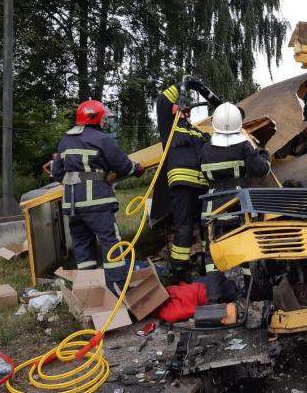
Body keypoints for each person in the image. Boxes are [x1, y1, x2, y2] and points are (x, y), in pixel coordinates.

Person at [52, 100, 144, 293]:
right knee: (111, 243)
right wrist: (137, 169)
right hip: (98, 203)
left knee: (82, 244)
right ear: (96, 118)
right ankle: (117, 290)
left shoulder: (65, 141)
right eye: (103, 119)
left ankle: (90, 291)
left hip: (73, 205)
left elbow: (58, 172)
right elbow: (123, 165)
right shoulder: (102, 139)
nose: (104, 122)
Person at [156, 76, 222, 281]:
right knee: (184, 228)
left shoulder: (199, 133)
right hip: (182, 186)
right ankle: (178, 272)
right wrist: (188, 85)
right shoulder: (170, 127)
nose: (187, 111)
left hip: (202, 187)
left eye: (188, 109)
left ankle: (207, 266)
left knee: (206, 227)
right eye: (184, 108)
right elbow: (162, 100)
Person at [200, 102, 271, 283]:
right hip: (237, 206)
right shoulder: (243, 146)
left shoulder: (205, 148)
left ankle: (215, 294)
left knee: (213, 252)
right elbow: (261, 170)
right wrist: (264, 155)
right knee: (243, 248)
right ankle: (249, 291)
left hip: (211, 208)